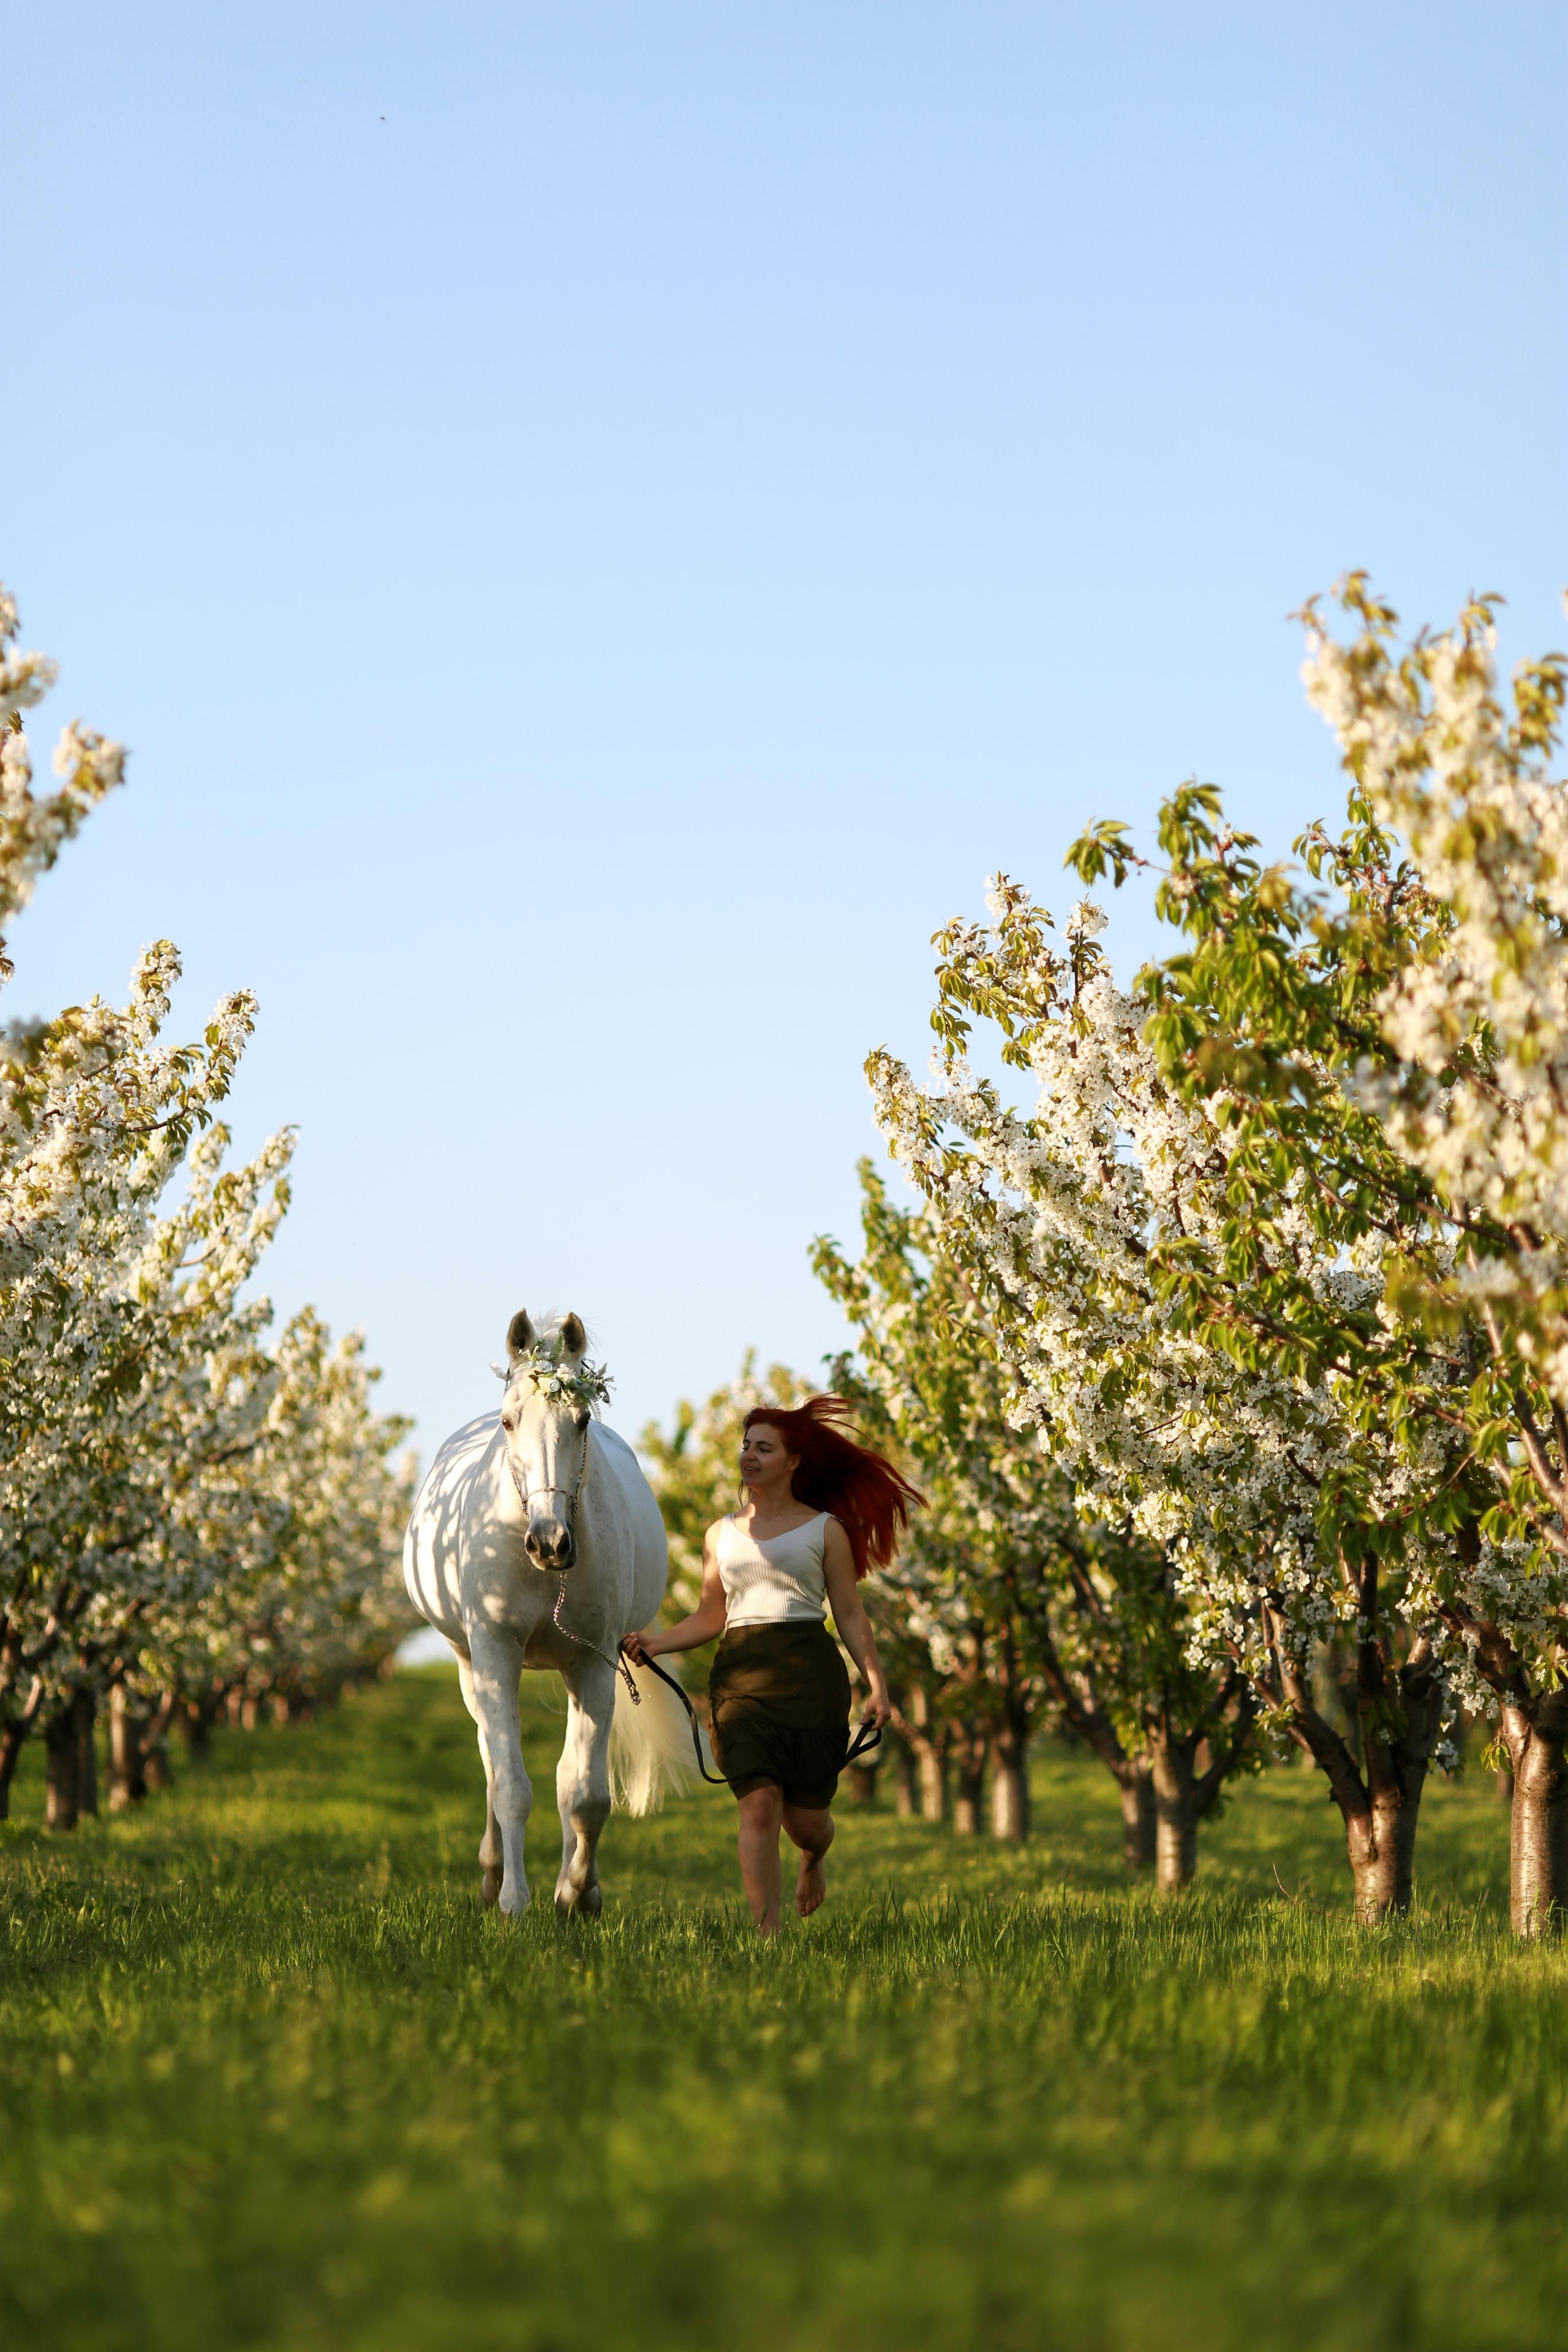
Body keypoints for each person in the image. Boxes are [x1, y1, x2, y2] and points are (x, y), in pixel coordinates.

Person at [622, 1395, 922, 1936]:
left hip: (810, 1679)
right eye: (746, 1446)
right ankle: (769, 1938)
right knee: (759, 1806)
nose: (750, 1456)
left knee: (807, 1825)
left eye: (765, 1447)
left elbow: (850, 1614)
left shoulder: (825, 1530)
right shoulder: (722, 1534)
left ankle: (812, 1858)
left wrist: (877, 1686)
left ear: (793, 1461)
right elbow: (712, 1614)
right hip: (740, 1677)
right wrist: (656, 1642)